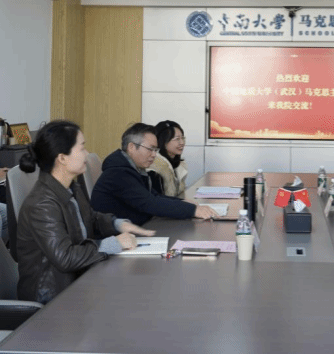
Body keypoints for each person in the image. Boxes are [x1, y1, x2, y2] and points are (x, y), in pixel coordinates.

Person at [15, 121, 155, 304]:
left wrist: (118, 224)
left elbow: (90, 218)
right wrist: (112, 244)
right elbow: (65, 258)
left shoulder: (71, 187)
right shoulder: (42, 204)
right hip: (53, 299)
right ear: (62, 158)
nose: (87, 154)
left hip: (79, 281)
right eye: (82, 148)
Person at [91, 123, 218, 226]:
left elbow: (155, 196)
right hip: (118, 238)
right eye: (150, 149)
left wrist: (184, 203)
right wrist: (193, 210)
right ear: (131, 147)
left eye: (155, 150)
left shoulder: (133, 169)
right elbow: (150, 203)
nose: (154, 155)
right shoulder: (118, 173)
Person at [147, 120, 188, 197]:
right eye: (177, 139)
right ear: (163, 141)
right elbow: (158, 200)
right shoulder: (155, 170)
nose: (182, 143)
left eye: (182, 138)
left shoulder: (178, 165)